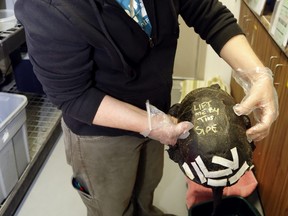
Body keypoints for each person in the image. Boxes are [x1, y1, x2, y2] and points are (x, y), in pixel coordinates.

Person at [14, 0, 278, 215]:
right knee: (110, 205)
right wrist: (147, 124)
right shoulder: (45, 6)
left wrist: (258, 75)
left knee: (146, 187)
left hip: (160, 112)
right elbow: (71, 94)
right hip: (99, 131)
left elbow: (207, 12)